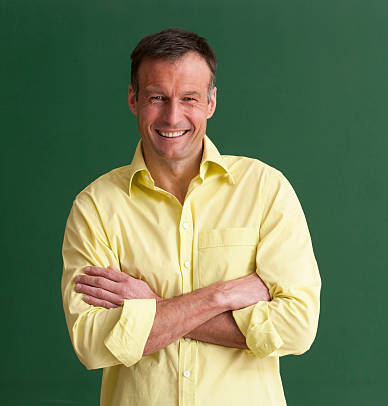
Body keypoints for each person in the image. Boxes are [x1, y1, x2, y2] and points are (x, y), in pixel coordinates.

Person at [60, 28, 321, 406]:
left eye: (189, 98)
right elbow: (92, 340)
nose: (172, 115)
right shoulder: (96, 207)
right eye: (157, 97)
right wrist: (222, 295)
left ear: (211, 102)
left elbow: (297, 327)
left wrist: (150, 306)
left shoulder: (265, 190)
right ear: (133, 99)